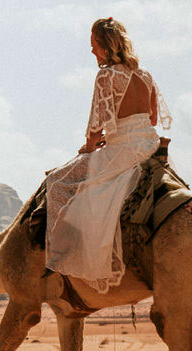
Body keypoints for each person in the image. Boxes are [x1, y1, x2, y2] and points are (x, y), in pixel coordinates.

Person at [42, 17, 172, 296]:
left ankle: (63, 261)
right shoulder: (145, 74)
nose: (92, 52)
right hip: (149, 146)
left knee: (56, 182)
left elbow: (94, 127)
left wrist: (89, 147)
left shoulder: (106, 76)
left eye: (94, 46)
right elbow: (152, 118)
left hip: (121, 151)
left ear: (105, 47)